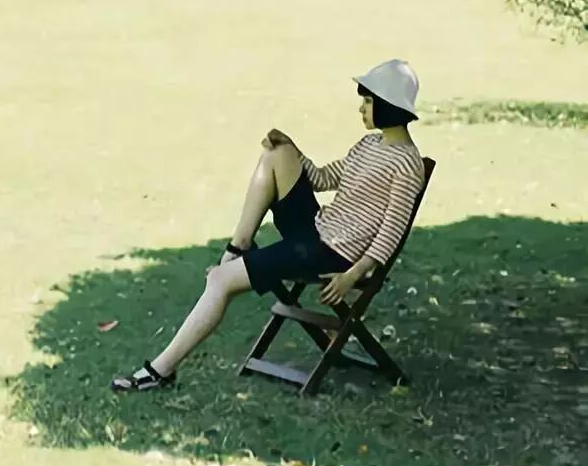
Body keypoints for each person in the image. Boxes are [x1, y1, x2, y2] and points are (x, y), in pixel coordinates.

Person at [111, 59, 426, 392]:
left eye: (368, 101)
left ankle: (160, 372)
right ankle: (238, 247)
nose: (361, 108)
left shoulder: (406, 164)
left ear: (388, 106)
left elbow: (392, 230)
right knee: (277, 153)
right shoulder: (368, 146)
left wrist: (352, 275)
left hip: (331, 254)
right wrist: (293, 150)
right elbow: (321, 179)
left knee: (220, 281)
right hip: (316, 231)